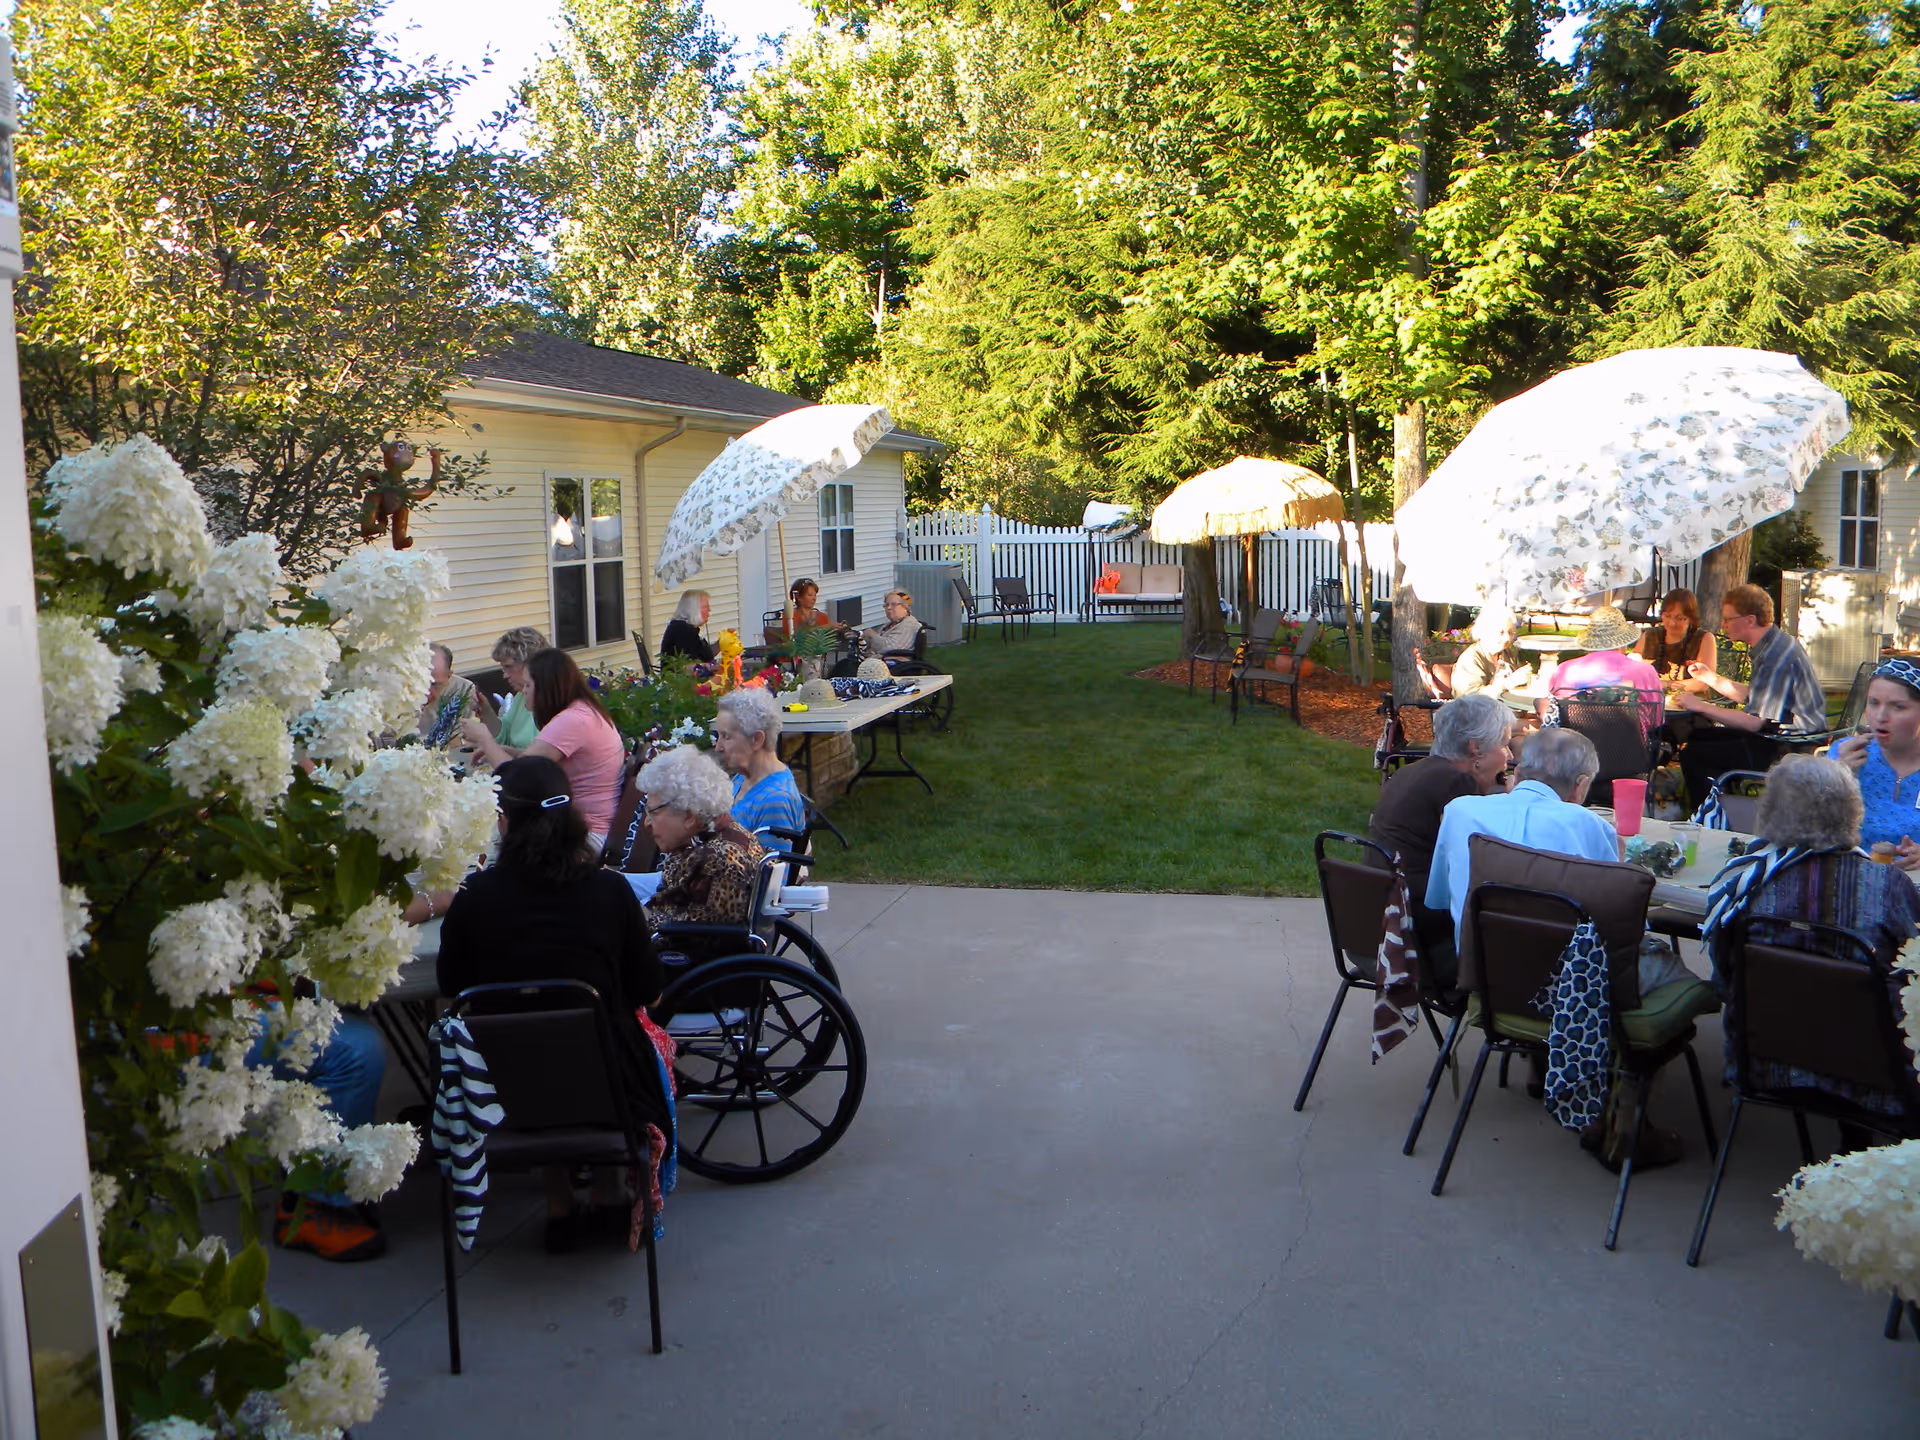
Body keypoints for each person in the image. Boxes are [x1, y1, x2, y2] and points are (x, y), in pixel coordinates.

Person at [436, 757, 667, 1250]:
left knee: (528, 1043)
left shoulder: (474, 896)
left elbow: (452, 983)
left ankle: (559, 1202)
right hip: (608, 1087)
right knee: (605, 1031)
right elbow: (649, 988)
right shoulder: (609, 890)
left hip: (505, 1097)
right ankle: (608, 1190)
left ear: (503, 820)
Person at [1700, 754, 1920, 1124]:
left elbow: (1724, 983)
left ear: (1770, 810)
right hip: (1881, 1078)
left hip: (1765, 1068)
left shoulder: (1744, 884)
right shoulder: (1886, 886)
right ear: (1852, 810)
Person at [1425, 728, 1620, 949]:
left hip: (1477, 969)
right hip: (1566, 975)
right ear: (1582, 785)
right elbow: (1615, 921)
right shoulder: (1589, 825)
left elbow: (1439, 898)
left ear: (1516, 774)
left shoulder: (1459, 811)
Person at [1369, 694, 1514, 985]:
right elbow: (1479, 861)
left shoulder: (1413, 772)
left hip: (1384, 918)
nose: (1509, 755)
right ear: (1476, 750)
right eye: (1504, 744)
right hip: (1423, 933)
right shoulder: (1455, 784)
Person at [1672, 583, 1827, 806]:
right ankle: (1724, 806)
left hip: (1788, 746)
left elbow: (1754, 722)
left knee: (1694, 754)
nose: (1723, 625)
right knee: (1699, 735)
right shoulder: (1776, 643)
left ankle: (1711, 819)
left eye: (1728, 619)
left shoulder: (1774, 657)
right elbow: (1755, 697)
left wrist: (1700, 705)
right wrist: (1710, 678)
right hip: (1784, 735)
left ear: (1750, 620)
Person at [465, 648, 625, 850]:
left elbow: (518, 781)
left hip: (586, 836)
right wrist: (504, 750)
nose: (523, 691)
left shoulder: (573, 721)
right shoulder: (582, 711)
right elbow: (534, 764)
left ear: (547, 687)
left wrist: (485, 740)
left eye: (529, 685)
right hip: (586, 826)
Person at [637, 744, 766, 928]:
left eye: (653, 812)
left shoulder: (717, 860)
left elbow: (690, 936)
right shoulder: (726, 835)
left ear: (689, 816)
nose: (647, 823)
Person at [1834, 658, 1920, 869]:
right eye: (1874, 703)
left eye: (1897, 707)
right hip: (1850, 877)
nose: (1881, 716)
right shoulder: (1846, 754)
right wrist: (1837, 779)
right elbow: (1808, 829)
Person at [1537, 605, 1664, 731]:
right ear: (1624, 642)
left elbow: (1554, 714)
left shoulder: (1564, 671)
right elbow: (1656, 721)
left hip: (1576, 747)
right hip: (1630, 748)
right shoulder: (1645, 671)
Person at [713, 687, 807, 840]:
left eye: (726, 737)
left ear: (756, 740)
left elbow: (775, 864)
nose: (718, 747)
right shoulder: (744, 777)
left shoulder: (775, 802)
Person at [468, 626, 549, 757]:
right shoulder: (521, 696)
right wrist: (486, 711)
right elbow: (504, 736)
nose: (505, 675)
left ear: (531, 663)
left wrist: (484, 739)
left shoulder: (554, 700)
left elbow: (541, 762)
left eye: (509, 667)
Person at [1636, 588, 1717, 694]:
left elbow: (1703, 683)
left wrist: (1664, 685)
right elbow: (1633, 673)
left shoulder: (1704, 639)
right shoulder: (1649, 636)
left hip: (1691, 704)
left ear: (1691, 618)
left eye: (1680, 618)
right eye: (1667, 616)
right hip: (1652, 701)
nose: (1672, 623)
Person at [416, 642, 489, 750]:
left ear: (449, 676)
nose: (426, 691)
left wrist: (460, 742)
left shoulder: (463, 689)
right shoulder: (398, 691)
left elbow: (473, 740)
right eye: (421, 683)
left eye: (434, 685)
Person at [1446, 608, 1528, 700]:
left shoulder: (1506, 654)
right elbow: (1470, 698)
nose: (1507, 638)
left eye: (1510, 632)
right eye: (1501, 633)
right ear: (1484, 632)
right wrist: (1505, 684)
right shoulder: (1471, 659)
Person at [859, 591, 924, 659]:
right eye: (886, 605)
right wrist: (860, 637)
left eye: (893, 604)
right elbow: (875, 643)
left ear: (905, 607)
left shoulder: (908, 625)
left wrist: (872, 634)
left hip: (891, 663)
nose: (889, 608)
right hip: (876, 660)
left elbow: (887, 648)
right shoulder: (891, 624)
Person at [660, 590, 715, 664]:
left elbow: (705, 655)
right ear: (693, 609)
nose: (709, 610)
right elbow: (691, 666)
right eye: (705, 606)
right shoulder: (681, 630)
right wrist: (715, 666)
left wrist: (724, 642)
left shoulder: (689, 628)